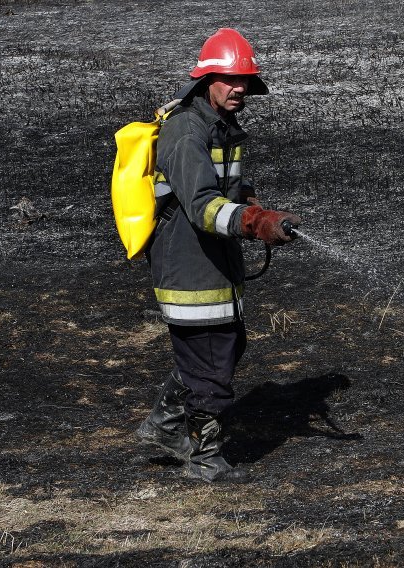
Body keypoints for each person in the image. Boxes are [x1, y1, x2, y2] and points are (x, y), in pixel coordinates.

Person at [134, 28, 301, 483]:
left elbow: (230, 191)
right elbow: (203, 205)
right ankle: (205, 457)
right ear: (208, 79)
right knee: (210, 364)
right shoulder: (185, 131)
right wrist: (253, 223)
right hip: (189, 265)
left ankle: (165, 426)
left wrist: (256, 210)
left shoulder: (222, 128)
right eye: (231, 79)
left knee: (224, 348)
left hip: (214, 261)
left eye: (245, 80)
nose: (240, 88)